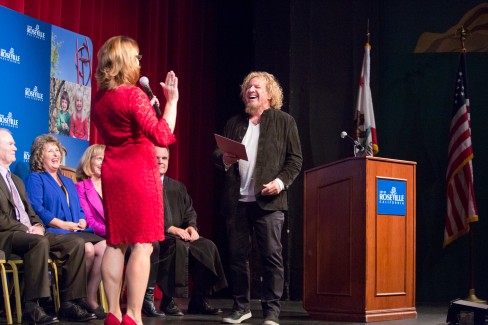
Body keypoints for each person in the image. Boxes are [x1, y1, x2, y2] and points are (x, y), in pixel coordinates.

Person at [92, 35, 178, 325]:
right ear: (125, 61)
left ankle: (113, 313)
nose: (140, 62)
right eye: (137, 57)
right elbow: (162, 136)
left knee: (116, 243)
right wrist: (171, 103)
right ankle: (134, 315)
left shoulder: (100, 99)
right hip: (139, 173)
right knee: (143, 245)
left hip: (114, 173)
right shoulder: (132, 95)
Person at [213, 71, 302, 325]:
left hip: (269, 201)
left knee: (271, 255)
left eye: (258, 86)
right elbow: (218, 152)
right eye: (248, 87)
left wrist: (280, 182)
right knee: (237, 255)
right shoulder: (235, 122)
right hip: (237, 200)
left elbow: (295, 160)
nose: (251, 89)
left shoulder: (284, 121)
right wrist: (223, 158)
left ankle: (271, 311)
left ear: (269, 94)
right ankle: (241, 307)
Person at [0, 128, 96, 325]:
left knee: (76, 243)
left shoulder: (15, 180)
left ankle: (69, 303)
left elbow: (31, 211)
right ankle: (33, 307)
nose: (16, 147)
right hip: (7, 234)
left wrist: (37, 224)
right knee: (38, 242)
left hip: (30, 232)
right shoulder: (32, 178)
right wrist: (26, 229)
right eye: (11, 144)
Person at [24, 134, 107, 319]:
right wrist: (62, 224)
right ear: (40, 156)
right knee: (86, 247)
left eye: (57, 150)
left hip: (75, 229)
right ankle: (70, 300)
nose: (56, 154)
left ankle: (87, 297)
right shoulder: (36, 178)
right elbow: (37, 208)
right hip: (53, 230)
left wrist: (82, 220)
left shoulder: (68, 181)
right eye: (50, 151)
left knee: (104, 246)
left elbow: (78, 208)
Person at [142, 146, 227, 317]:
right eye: (156, 157)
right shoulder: (144, 184)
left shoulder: (178, 186)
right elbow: (143, 214)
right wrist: (170, 228)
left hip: (181, 233)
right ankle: (168, 299)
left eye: (164, 158)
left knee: (207, 247)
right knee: (176, 245)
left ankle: (199, 299)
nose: (160, 161)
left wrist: (191, 227)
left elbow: (189, 211)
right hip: (157, 234)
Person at [75, 144, 106, 237]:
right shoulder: (80, 187)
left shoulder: (112, 188)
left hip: (117, 237)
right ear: (89, 161)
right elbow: (89, 221)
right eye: (99, 159)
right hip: (95, 236)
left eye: (105, 160)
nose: (103, 163)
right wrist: (115, 233)